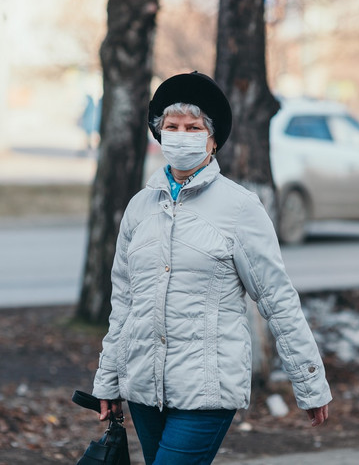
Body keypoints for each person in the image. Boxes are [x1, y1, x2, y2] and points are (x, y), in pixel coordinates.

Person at [91, 72, 331, 465]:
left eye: (193, 127)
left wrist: (309, 382)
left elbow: (277, 298)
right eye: (172, 126)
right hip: (145, 391)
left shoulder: (240, 209)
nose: (181, 134)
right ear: (159, 133)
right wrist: (108, 380)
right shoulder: (139, 209)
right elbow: (125, 305)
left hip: (207, 391)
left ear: (212, 139)